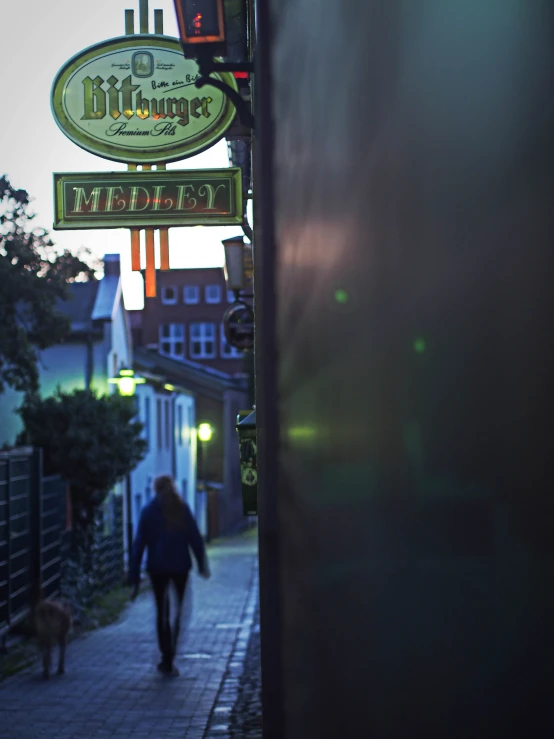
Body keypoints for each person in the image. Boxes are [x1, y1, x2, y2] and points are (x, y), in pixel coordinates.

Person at [129, 474, 210, 676]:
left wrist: (134, 575)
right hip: (180, 567)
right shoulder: (181, 510)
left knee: (162, 613)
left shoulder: (148, 512)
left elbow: (139, 544)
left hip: (157, 568)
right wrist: (202, 564)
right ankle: (171, 654)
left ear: (156, 489)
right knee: (178, 612)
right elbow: (195, 537)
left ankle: (166, 656)